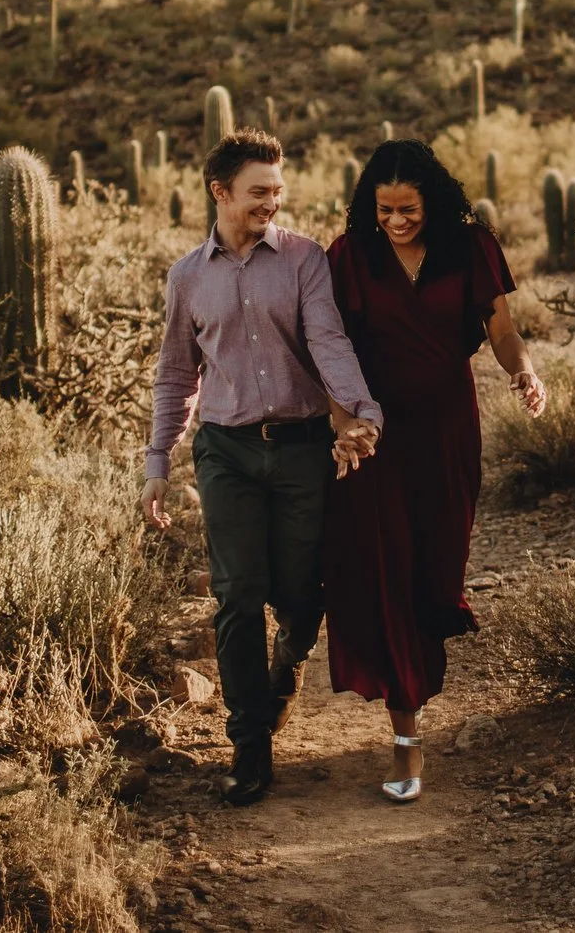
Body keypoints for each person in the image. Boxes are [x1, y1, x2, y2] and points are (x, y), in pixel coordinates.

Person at [143, 128, 382, 806]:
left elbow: (328, 341)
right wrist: (158, 459)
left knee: (303, 594)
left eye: (277, 190)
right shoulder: (188, 276)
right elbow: (175, 375)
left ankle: (291, 660)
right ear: (220, 192)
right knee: (238, 597)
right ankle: (250, 744)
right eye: (257, 191)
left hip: (305, 443)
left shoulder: (304, 259)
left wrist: (364, 412)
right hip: (227, 449)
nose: (271, 202)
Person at [322, 138, 545, 803]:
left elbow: (501, 329)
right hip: (376, 436)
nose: (396, 220)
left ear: (433, 200)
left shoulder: (471, 246)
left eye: (408, 208)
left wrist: (525, 370)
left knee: (436, 573)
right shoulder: (350, 255)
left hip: (450, 432)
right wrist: (342, 427)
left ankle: (417, 696)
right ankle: (406, 739)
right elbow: (330, 348)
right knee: (389, 571)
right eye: (384, 208)